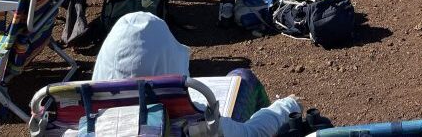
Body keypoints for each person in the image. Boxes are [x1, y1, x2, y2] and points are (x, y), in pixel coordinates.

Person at [93, 12, 300, 137]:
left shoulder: (78, 116)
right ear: (169, 59)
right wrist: (287, 106)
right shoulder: (192, 119)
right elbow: (253, 133)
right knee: (242, 77)